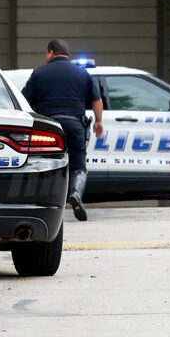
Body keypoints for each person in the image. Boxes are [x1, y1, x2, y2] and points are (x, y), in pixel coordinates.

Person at [22, 39, 104, 221]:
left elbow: (24, 101)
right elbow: (96, 100)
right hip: (75, 125)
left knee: (45, 163)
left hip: (49, 129)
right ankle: (75, 193)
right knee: (78, 165)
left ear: (51, 53)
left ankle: (44, 202)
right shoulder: (82, 74)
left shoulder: (39, 73)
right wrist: (99, 122)